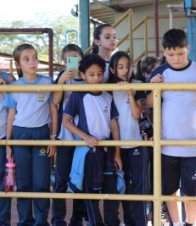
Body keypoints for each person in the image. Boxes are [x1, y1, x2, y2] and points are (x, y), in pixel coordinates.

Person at [147, 28, 196, 226]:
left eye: (180, 53)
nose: (176, 58)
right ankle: (176, 223)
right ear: (164, 52)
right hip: (167, 142)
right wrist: (154, 86)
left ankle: (191, 223)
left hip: (194, 142)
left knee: (193, 190)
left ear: (188, 49)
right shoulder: (159, 72)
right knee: (169, 188)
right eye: (171, 54)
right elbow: (150, 104)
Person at [63, 54, 122, 226]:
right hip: (89, 153)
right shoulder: (78, 95)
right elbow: (66, 121)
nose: (96, 78)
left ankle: (113, 222)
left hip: (108, 150)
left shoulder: (108, 96)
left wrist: (117, 153)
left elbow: (114, 125)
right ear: (82, 75)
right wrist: (86, 137)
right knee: (91, 193)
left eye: (99, 74)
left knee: (111, 191)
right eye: (91, 74)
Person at [4, 43, 57, 225]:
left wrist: (53, 139)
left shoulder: (47, 82)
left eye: (34, 57)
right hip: (20, 134)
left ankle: (41, 221)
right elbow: (11, 115)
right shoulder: (15, 86)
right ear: (19, 64)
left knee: (41, 182)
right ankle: (25, 221)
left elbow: (53, 111)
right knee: (24, 182)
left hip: (42, 133)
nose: (32, 62)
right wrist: (9, 144)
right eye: (26, 59)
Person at [108, 51, 149, 226]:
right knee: (119, 185)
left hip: (136, 143)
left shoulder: (138, 85)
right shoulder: (108, 88)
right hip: (115, 144)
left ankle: (139, 222)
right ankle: (124, 221)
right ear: (112, 69)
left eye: (127, 66)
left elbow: (137, 114)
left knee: (137, 186)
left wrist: (131, 95)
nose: (125, 70)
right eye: (120, 67)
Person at [51, 44, 86, 226]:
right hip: (65, 136)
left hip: (84, 136)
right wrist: (61, 82)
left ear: (81, 57)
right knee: (61, 179)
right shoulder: (62, 78)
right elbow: (55, 102)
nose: (71, 62)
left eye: (74, 57)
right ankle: (58, 219)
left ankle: (77, 218)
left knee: (80, 179)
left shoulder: (88, 75)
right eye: (67, 59)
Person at [92, 23, 121, 226]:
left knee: (113, 176)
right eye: (108, 36)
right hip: (93, 126)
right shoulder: (90, 63)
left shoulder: (120, 62)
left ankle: (113, 220)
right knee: (91, 178)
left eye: (114, 36)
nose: (112, 40)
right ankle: (91, 219)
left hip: (116, 123)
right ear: (97, 41)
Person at [0, 71, 15, 226]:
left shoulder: (6, 78)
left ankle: (3, 221)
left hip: (3, 139)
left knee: (4, 184)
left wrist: (7, 87)